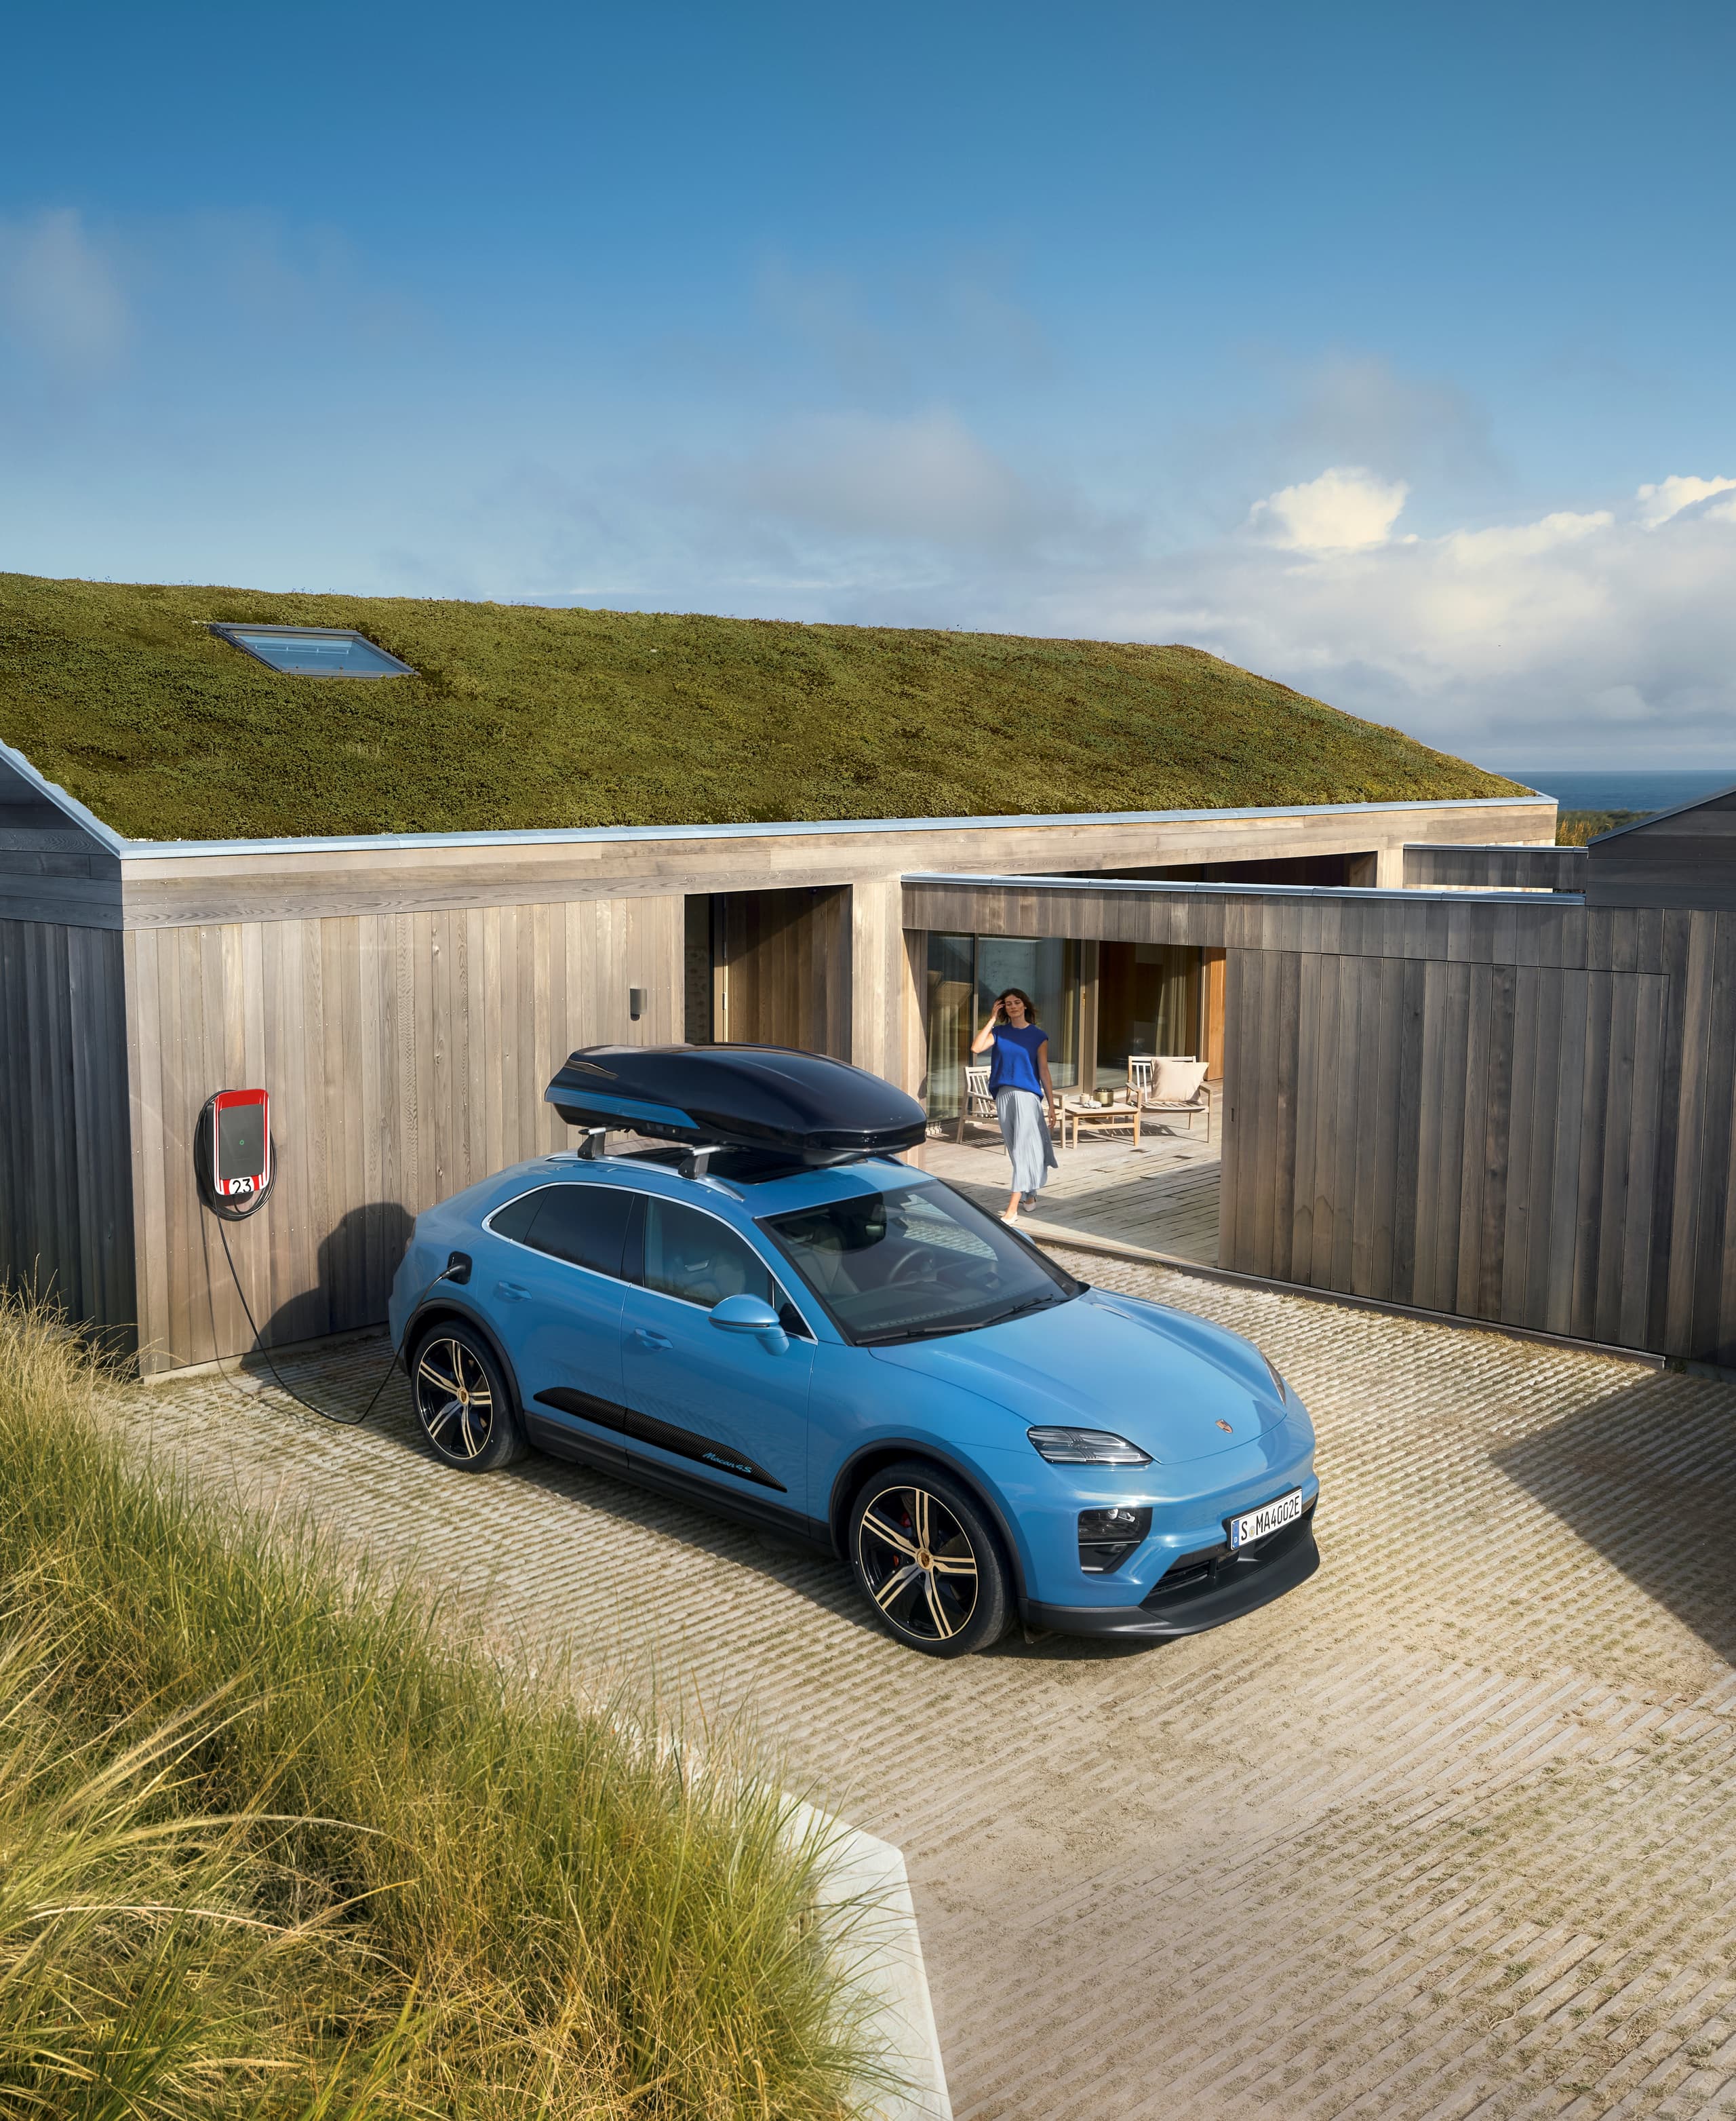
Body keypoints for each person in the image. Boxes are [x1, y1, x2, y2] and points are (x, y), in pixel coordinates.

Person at [970, 987, 1059, 1222]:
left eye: (1017, 1002)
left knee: (1021, 1149)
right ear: (1003, 1008)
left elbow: (1044, 1071)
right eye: (1008, 1004)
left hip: (1027, 1097)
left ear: (1025, 1005)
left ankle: (1012, 1209)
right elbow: (976, 1048)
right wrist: (992, 1019)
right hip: (1004, 1096)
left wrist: (1051, 1105)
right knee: (1015, 1148)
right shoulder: (1000, 1033)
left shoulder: (1038, 1036)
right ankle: (1030, 1194)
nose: (1013, 1006)